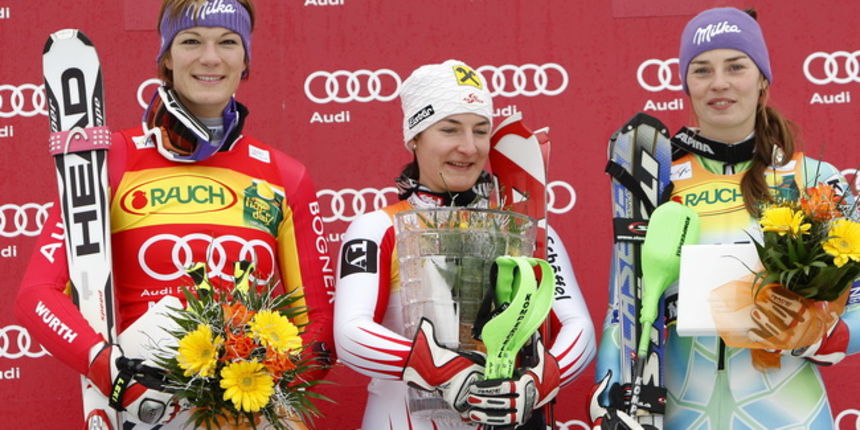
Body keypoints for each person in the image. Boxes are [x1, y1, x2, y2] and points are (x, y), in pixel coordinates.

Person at [15, 0, 334, 427]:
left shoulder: (284, 175)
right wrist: (111, 373)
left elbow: (320, 328)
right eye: (190, 41)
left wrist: (261, 390)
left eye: (227, 42)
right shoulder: (111, 160)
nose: (210, 57)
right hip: (143, 408)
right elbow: (36, 297)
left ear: (246, 60)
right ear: (166, 57)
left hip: (249, 412)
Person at [591, 7, 860, 430]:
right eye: (702, 70)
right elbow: (621, 308)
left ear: (762, 79)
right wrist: (609, 393)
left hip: (789, 416)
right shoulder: (657, 181)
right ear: (686, 85)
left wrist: (824, 335)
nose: (720, 83)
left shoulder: (814, 180)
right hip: (682, 416)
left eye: (736, 66)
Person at [333, 59, 596, 430]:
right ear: (414, 136)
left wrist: (538, 382)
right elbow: (349, 335)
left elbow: (578, 328)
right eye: (450, 130)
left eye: (481, 130)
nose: (469, 148)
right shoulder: (378, 227)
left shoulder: (525, 228)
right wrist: (442, 370)